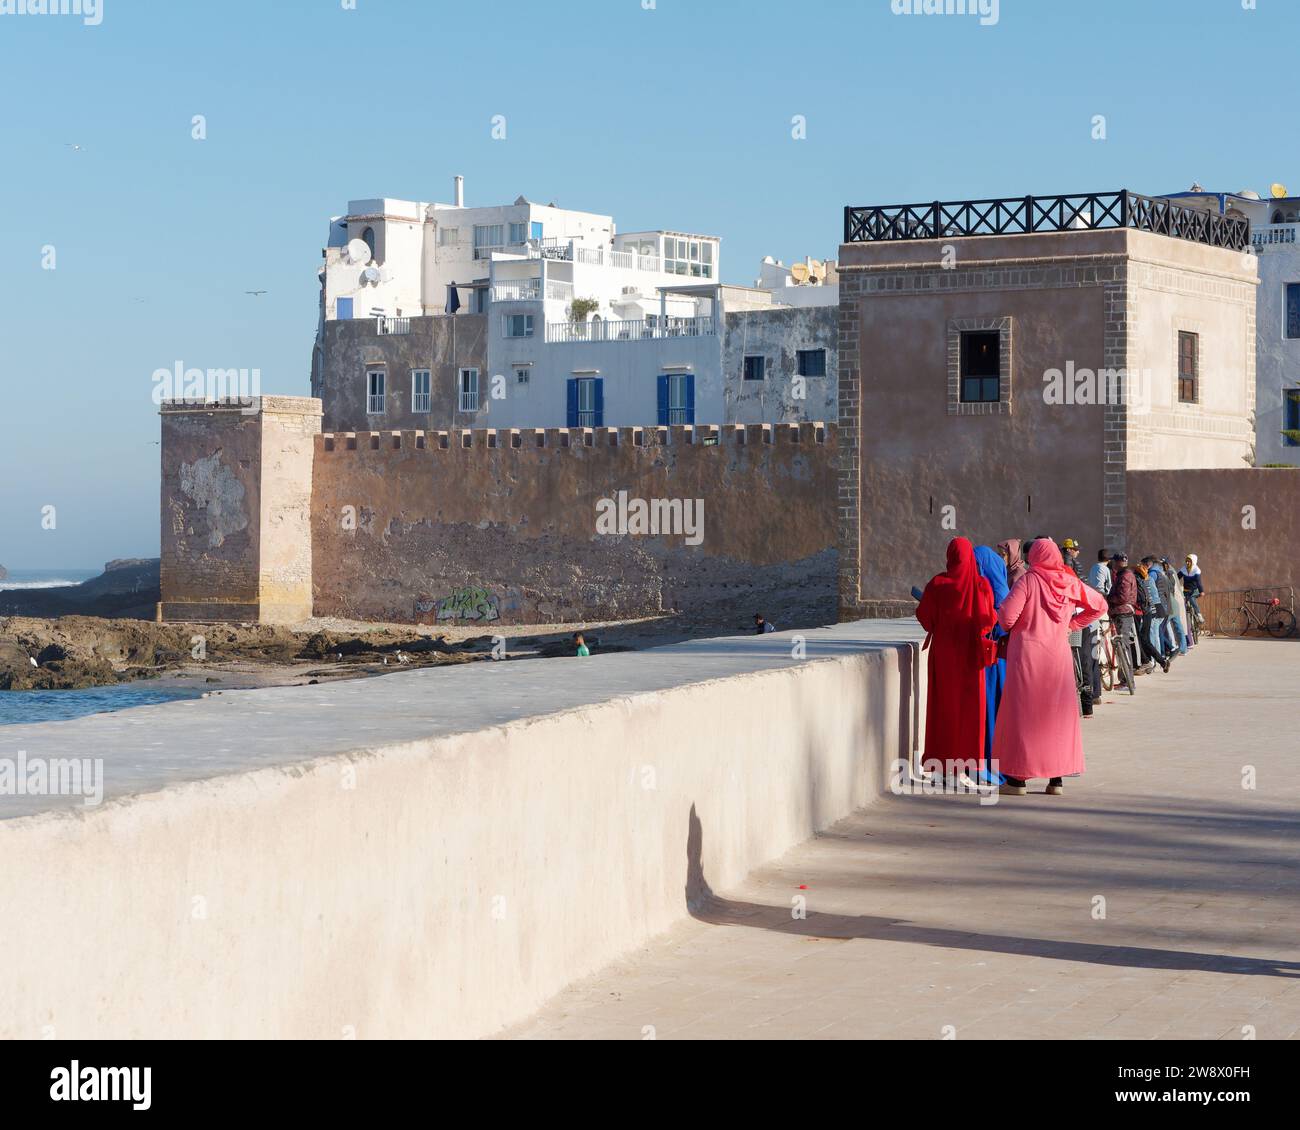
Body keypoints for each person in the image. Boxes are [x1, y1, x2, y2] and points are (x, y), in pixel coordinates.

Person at [994, 539, 1108, 796]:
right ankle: (1056, 779)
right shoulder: (1068, 581)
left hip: (1027, 656)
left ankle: (1017, 780)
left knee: (1023, 716)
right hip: (1057, 657)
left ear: (1034, 556)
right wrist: (1070, 624)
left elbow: (1007, 617)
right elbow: (1100, 605)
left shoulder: (1028, 580)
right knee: (1055, 716)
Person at [916, 538, 997, 782]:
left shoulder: (937, 583)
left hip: (943, 657)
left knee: (942, 709)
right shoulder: (981, 584)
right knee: (970, 712)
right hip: (971, 658)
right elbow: (989, 620)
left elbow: (925, 619)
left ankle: (941, 768)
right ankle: (962, 769)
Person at [974, 545, 1010, 779]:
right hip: (998, 658)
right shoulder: (1002, 590)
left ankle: (989, 762)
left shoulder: (984, 590)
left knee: (989, 708)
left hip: (989, 658)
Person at [1108, 553, 1143, 681]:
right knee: (1124, 646)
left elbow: (1123, 597)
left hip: (1122, 613)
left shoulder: (1124, 576)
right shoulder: (1126, 574)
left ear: (1118, 562)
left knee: (1123, 647)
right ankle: (1125, 678)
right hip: (1125, 612)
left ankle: (1127, 680)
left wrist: (1109, 598)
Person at [1180, 554, 1205, 629]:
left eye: (1189, 561)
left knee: (1192, 599)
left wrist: (1201, 591)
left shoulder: (1196, 570)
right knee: (1182, 602)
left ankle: (1198, 615)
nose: (1187, 563)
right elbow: (1177, 577)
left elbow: (1198, 582)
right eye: (1186, 561)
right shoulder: (1184, 569)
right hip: (1186, 591)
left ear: (1193, 562)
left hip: (1194, 591)